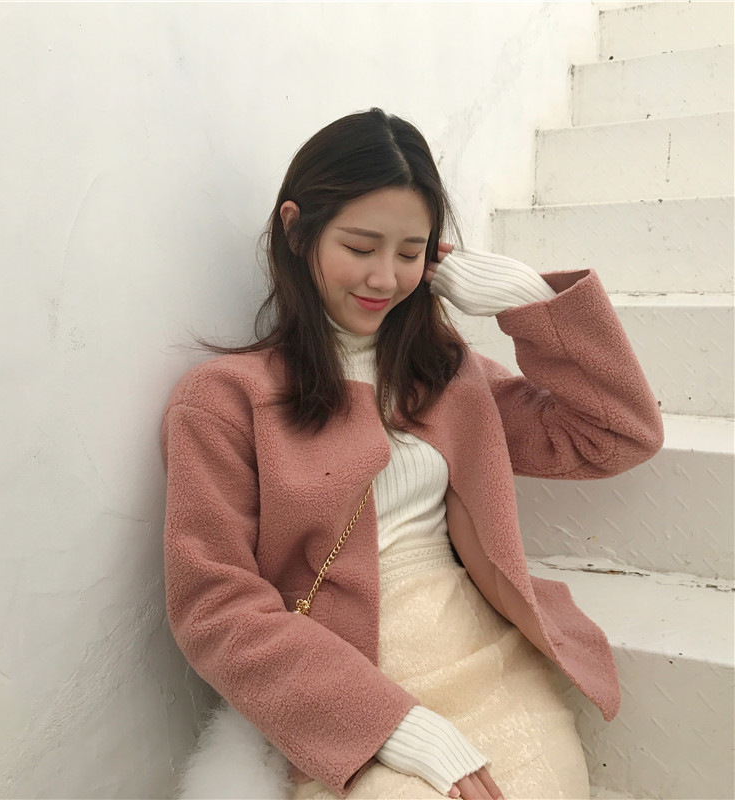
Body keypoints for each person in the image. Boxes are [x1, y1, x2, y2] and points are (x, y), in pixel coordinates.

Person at [161, 108, 664, 800]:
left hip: (484, 660)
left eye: (409, 253)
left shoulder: (447, 378)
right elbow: (213, 605)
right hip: (338, 687)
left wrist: (530, 301)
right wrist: (388, 724)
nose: (384, 278)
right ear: (296, 231)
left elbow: (617, 435)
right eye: (361, 246)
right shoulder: (224, 399)